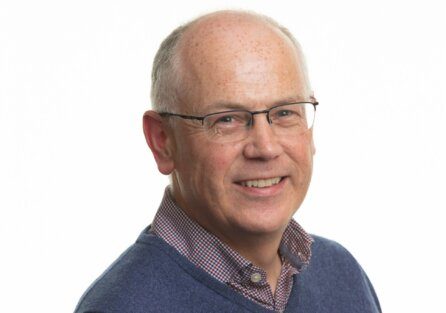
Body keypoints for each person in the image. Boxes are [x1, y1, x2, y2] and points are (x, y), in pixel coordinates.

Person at [75, 10, 381, 313]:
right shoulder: (122, 306)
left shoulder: (341, 274)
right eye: (227, 119)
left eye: (285, 112)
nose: (265, 147)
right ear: (163, 141)